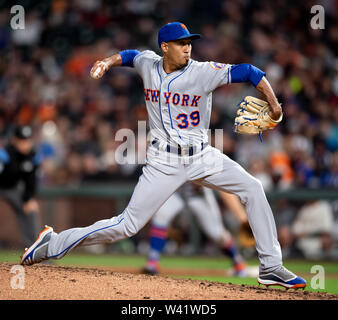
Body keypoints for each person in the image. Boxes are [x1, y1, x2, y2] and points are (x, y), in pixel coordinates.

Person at [21, 22, 306, 289]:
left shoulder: (203, 71)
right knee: (126, 225)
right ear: (165, 47)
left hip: (201, 156)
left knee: (253, 188)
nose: (188, 47)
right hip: (164, 161)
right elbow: (131, 56)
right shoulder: (149, 63)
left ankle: (271, 265)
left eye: (189, 43)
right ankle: (52, 244)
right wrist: (107, 61)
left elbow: (250, 72)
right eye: (181, 43)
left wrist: (275, 105)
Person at [142, 183, 252, 277]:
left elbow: (225, 189)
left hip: (199, 194)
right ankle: (153, 261)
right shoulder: (169, 157)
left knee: (216, 233)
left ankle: (238, 262)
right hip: (177, 191)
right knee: (161, 215)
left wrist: (242, 218)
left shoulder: (208, 159)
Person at [0, 125, 42, 248]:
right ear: (14, 140)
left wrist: (28, 199)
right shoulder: (5, 154)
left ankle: (34, 250)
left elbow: (31, 181)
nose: (25, 144)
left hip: (12, 189)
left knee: (31, 209)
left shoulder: (33, 156)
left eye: (27, 140)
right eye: (22, 140)